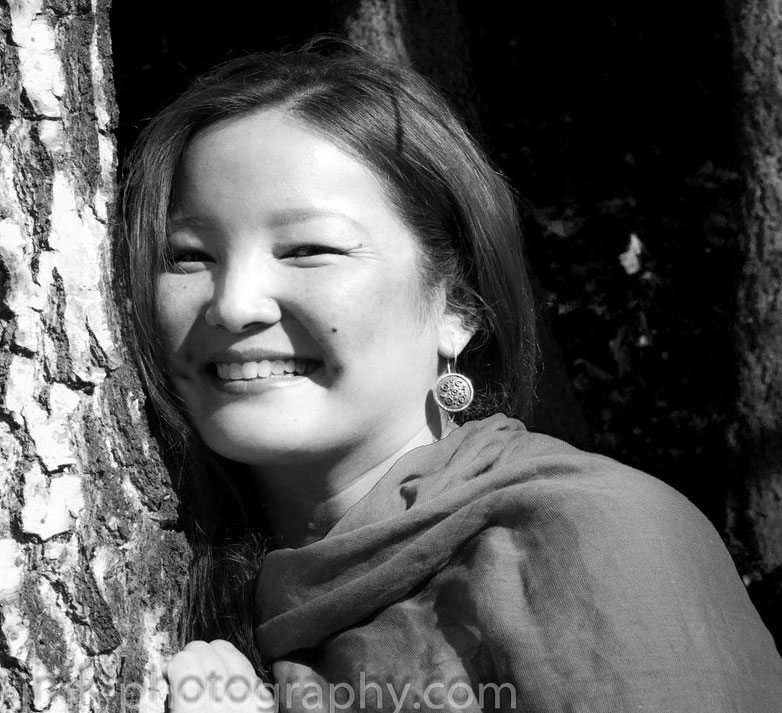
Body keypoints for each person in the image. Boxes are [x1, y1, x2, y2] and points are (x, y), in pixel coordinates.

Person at [114, 45, 782, 712]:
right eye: (188, 255)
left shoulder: (603, 537)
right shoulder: (192, 582)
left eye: (308, 249)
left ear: (458, 306)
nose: (234, 303)